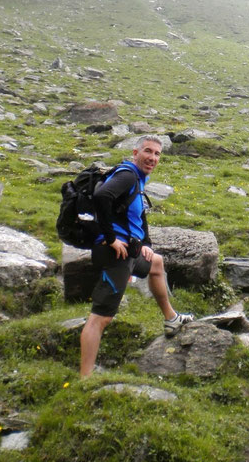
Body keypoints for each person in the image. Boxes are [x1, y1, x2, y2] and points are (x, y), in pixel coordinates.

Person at [80, 135, 194, 377]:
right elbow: (102, 197)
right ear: (135, 153)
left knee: (156, 263)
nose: (152, 158)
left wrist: (145, 243)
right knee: (100, 318)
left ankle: (171, 318)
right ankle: (85, 377)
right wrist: (111, 239)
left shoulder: (138, 179)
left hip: (130, 250)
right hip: (115, 254)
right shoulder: (128, 175)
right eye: (148, 152)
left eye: (157, 154)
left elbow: (137, 216)